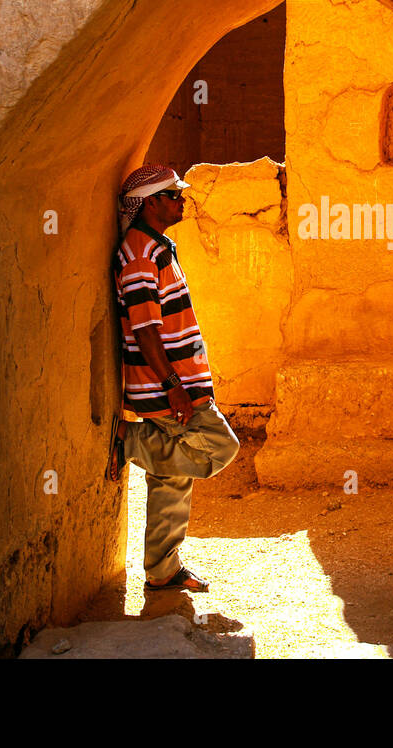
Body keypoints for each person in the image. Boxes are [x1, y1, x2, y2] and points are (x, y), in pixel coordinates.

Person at [106, 163, 240, 593]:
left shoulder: (156, 246)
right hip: (166, 389)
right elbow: (145, 329)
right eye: (174, 195)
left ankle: (162, 570)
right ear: (149, 203)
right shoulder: (140, 254)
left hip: (173, 385)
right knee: (220, 448)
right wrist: (173, 385)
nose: (182, 200)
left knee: (172, 477)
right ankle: (131, 441)